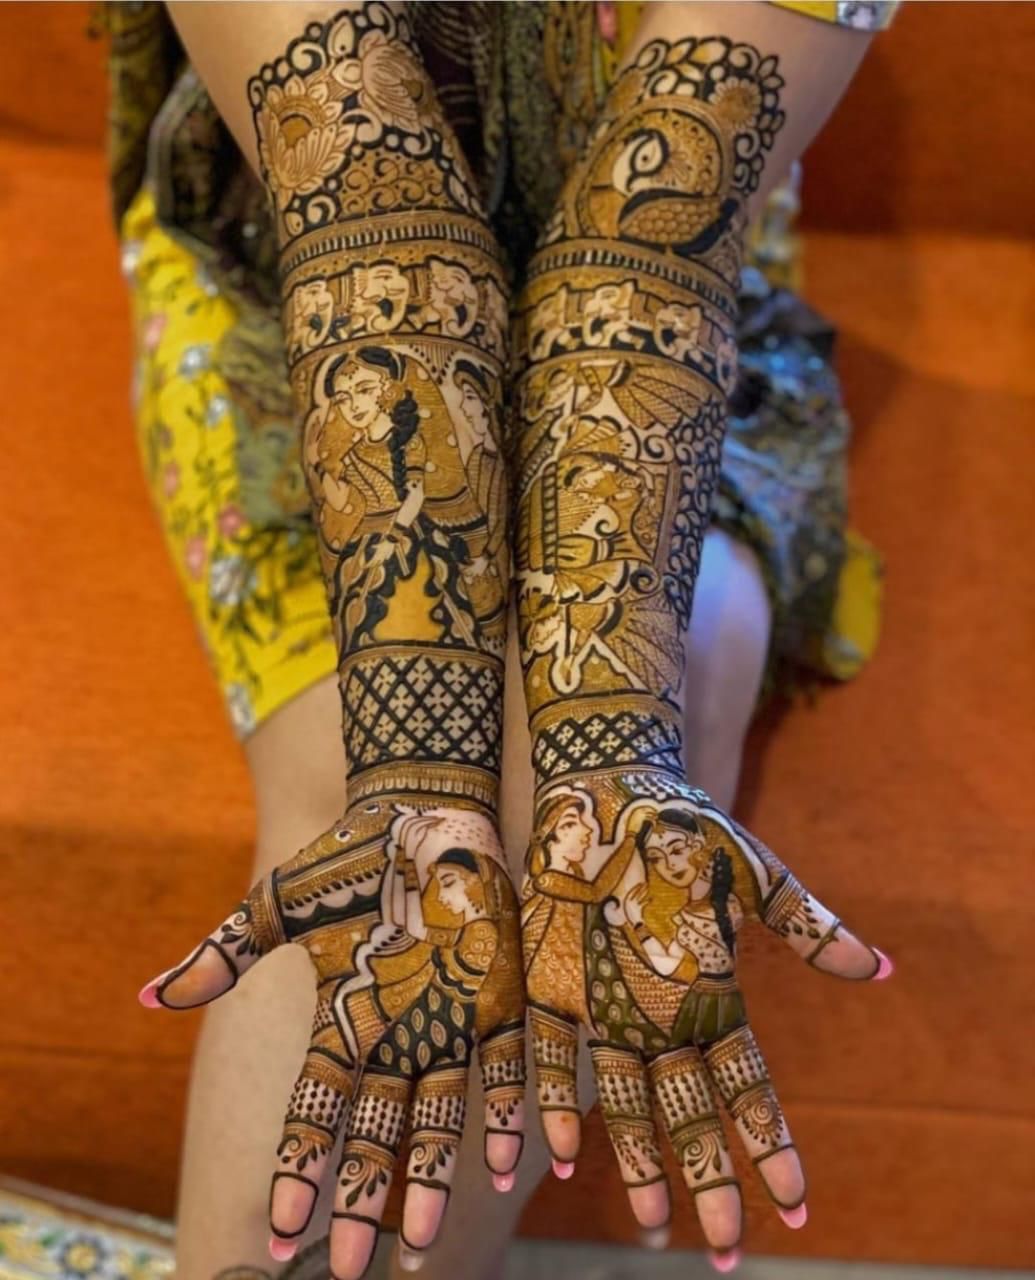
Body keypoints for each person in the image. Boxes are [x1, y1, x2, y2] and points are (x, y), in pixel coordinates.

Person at [108, 2, 898, 1277]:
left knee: (623, 765)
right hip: (289, 260)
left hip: (677, 291)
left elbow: (643, 247)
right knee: (370, 814)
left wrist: (608, 752)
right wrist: (418, 766)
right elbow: (374, 205)